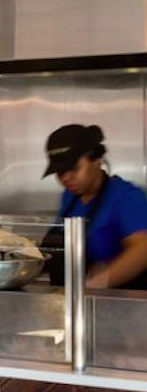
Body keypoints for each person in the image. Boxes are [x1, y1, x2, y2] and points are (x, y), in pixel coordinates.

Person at [42, 124, 147, 289]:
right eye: (61, 172)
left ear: (96, 160)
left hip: (119, 303)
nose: (66, 178)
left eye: (74, 169)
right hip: (73, 299)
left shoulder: (125, 197)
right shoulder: (70, 197)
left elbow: (143, 249)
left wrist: (101, 280)